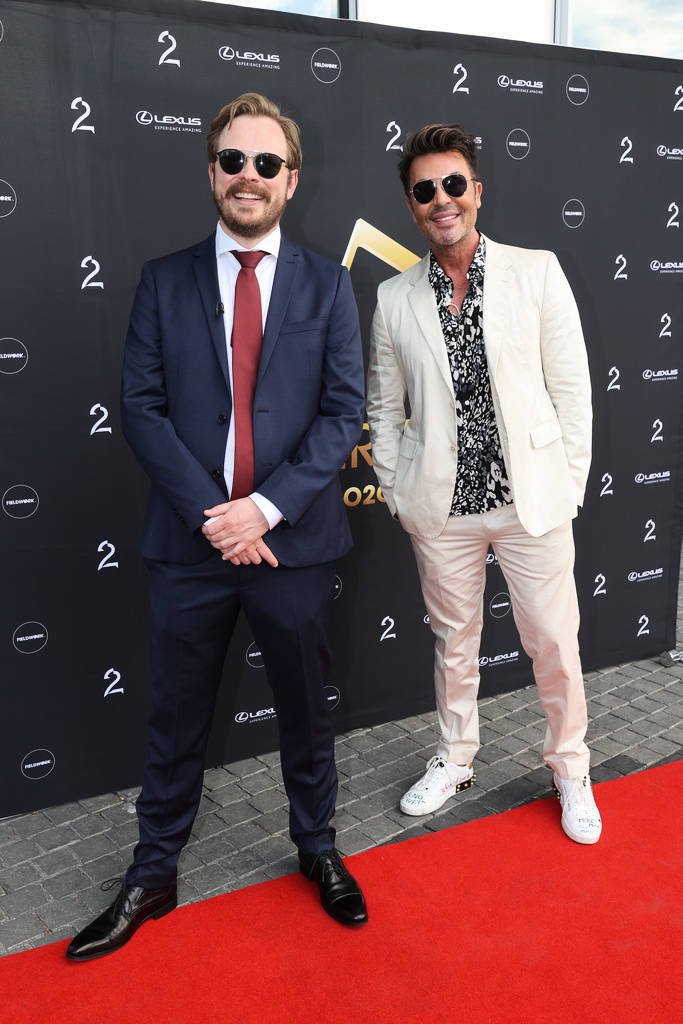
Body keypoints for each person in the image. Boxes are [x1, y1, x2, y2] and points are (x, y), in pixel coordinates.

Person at [66, 93, 368, 961]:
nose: (248, 176)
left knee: (305, 710)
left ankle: (317, 848)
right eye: (233, 160)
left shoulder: (326, 283)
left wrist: (264, 510)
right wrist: (219, 519)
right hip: (190, 545)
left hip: (292, 544)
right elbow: (141, 408)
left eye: (266, 163)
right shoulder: (164, 280)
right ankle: (153, 871)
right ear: (210, 172)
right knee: (175, 717)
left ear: (291, 179)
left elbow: (342, 413)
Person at [366, 122, 602, 846]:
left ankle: (571, 768)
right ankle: (456, 757)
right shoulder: (393, 297)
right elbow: (383, 409)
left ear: (475, 190)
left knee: (553, 642)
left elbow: (572, 390)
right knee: (453, 643)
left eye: (452, 184)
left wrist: (565, 485)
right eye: (425, 191)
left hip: (530, 503)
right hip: (442, 510)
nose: (441, 200)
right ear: (412, 207)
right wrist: (398, 491)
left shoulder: (536, 271)